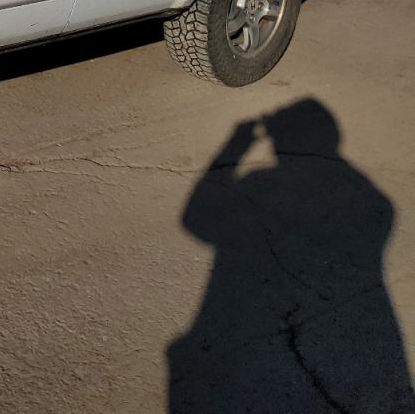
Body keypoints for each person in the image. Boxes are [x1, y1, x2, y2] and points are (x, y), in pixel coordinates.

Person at [168, 99, 413, 412]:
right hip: (360, 325)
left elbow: (195, 221)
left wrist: (236, 144)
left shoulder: (262, 182)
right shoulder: (373, 197)